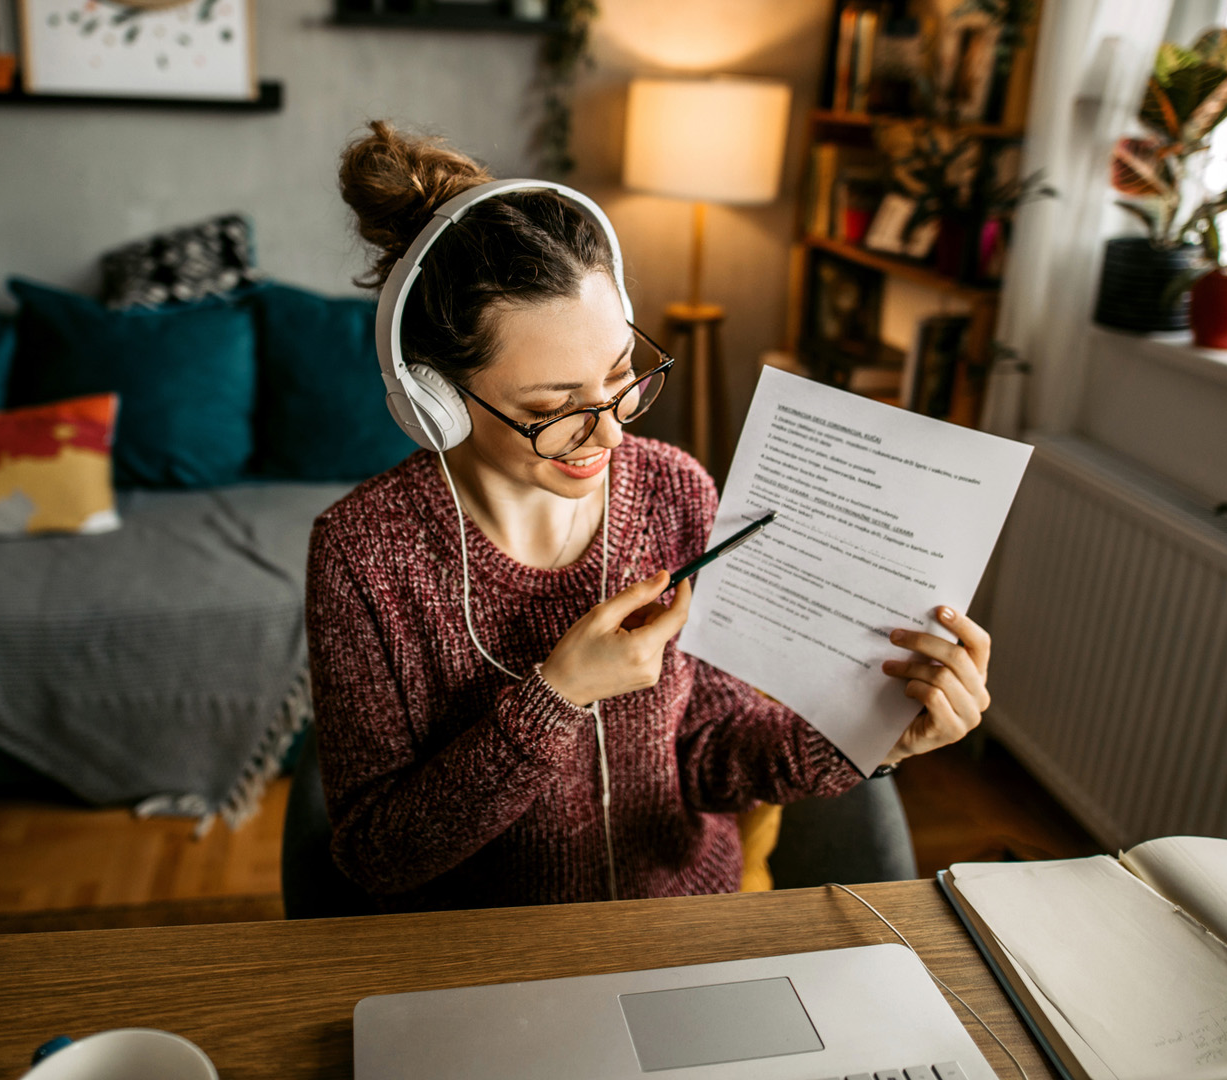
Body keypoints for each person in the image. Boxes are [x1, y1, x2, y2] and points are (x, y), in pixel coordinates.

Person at [306, 120, 992, 913]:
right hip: (480, 953)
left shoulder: (674, 492)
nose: (611, 431)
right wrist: (554, 697)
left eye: (621, 374)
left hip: (684, 924)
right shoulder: (365, 554)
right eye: (554, 409)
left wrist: (877, 736)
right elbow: (376, 856)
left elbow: (712, 758)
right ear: (438, 405)